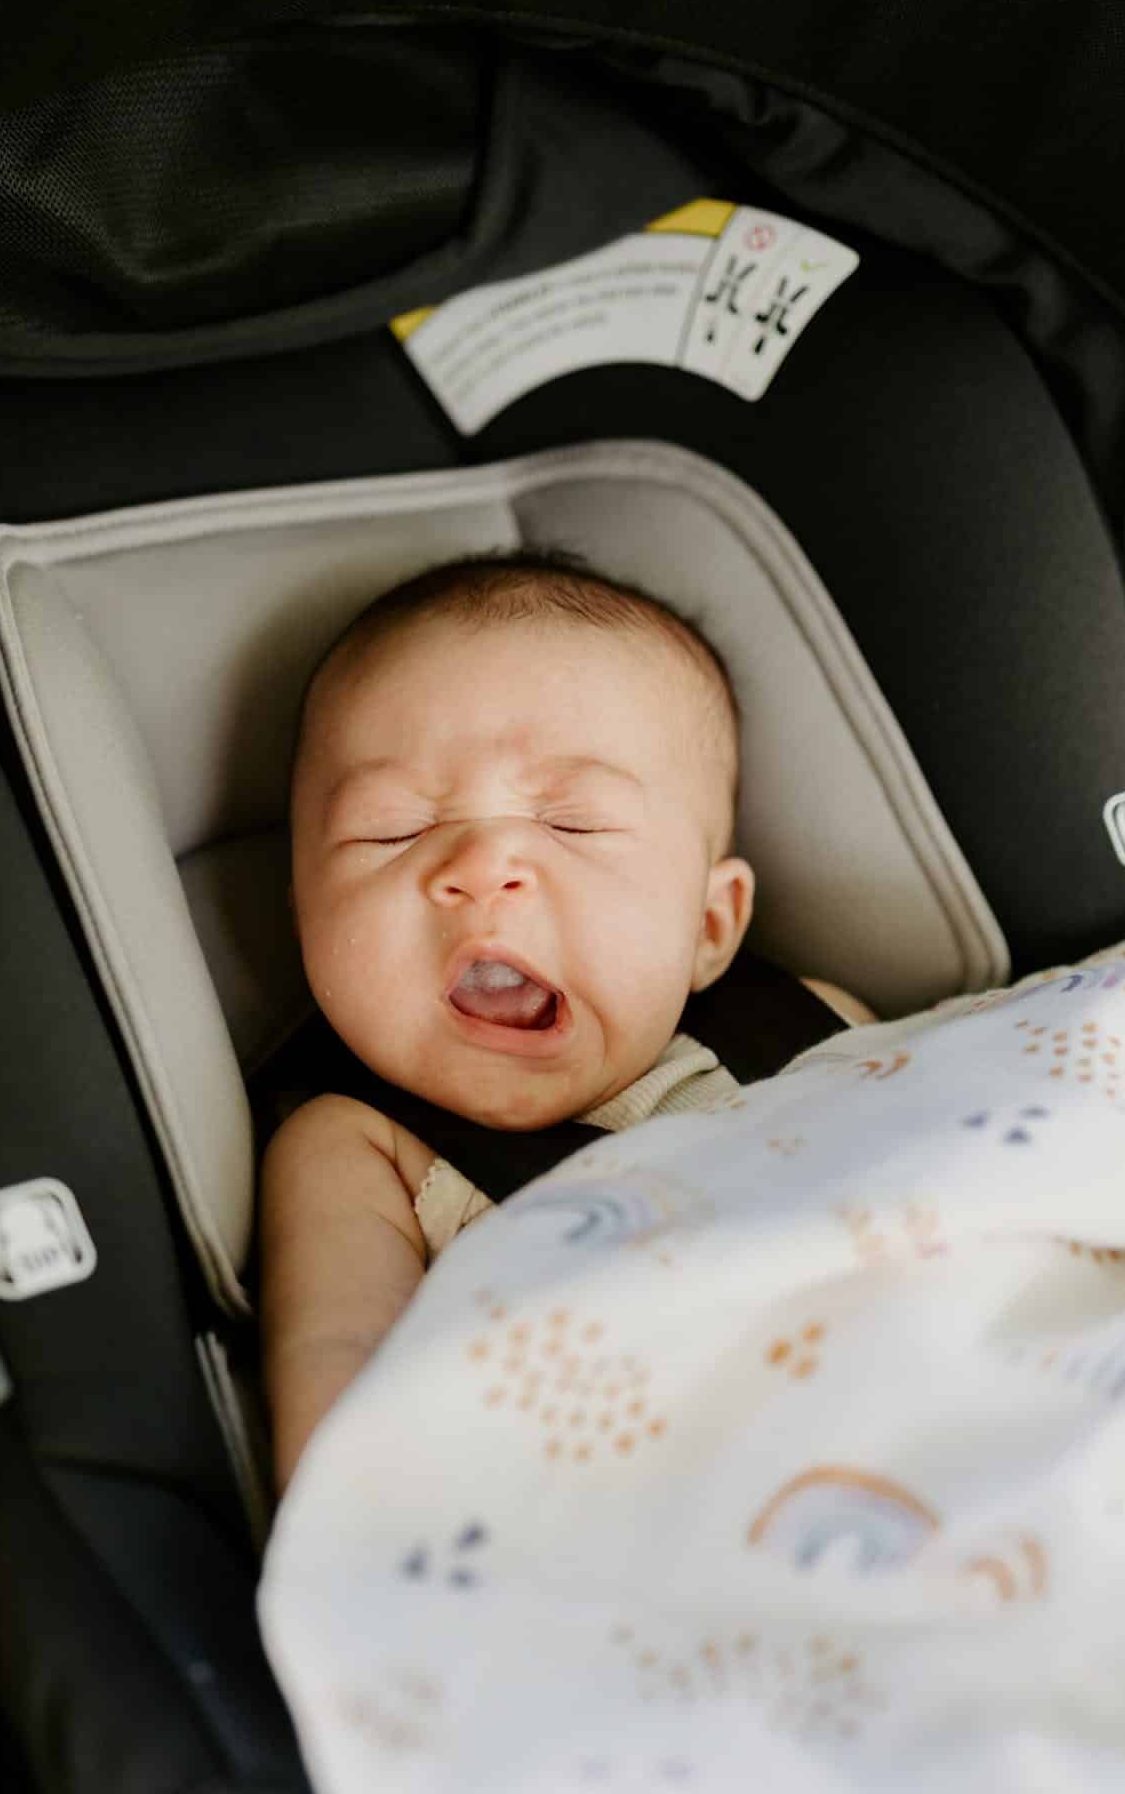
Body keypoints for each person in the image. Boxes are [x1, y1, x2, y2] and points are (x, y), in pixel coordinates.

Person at [259, 549, 876, 1490]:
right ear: (300, 916)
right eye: (391, 828)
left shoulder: (814, 1027)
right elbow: (341, 1392)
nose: (483, 864)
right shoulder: (357, 1150)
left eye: (575, 823)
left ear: (708, 926)